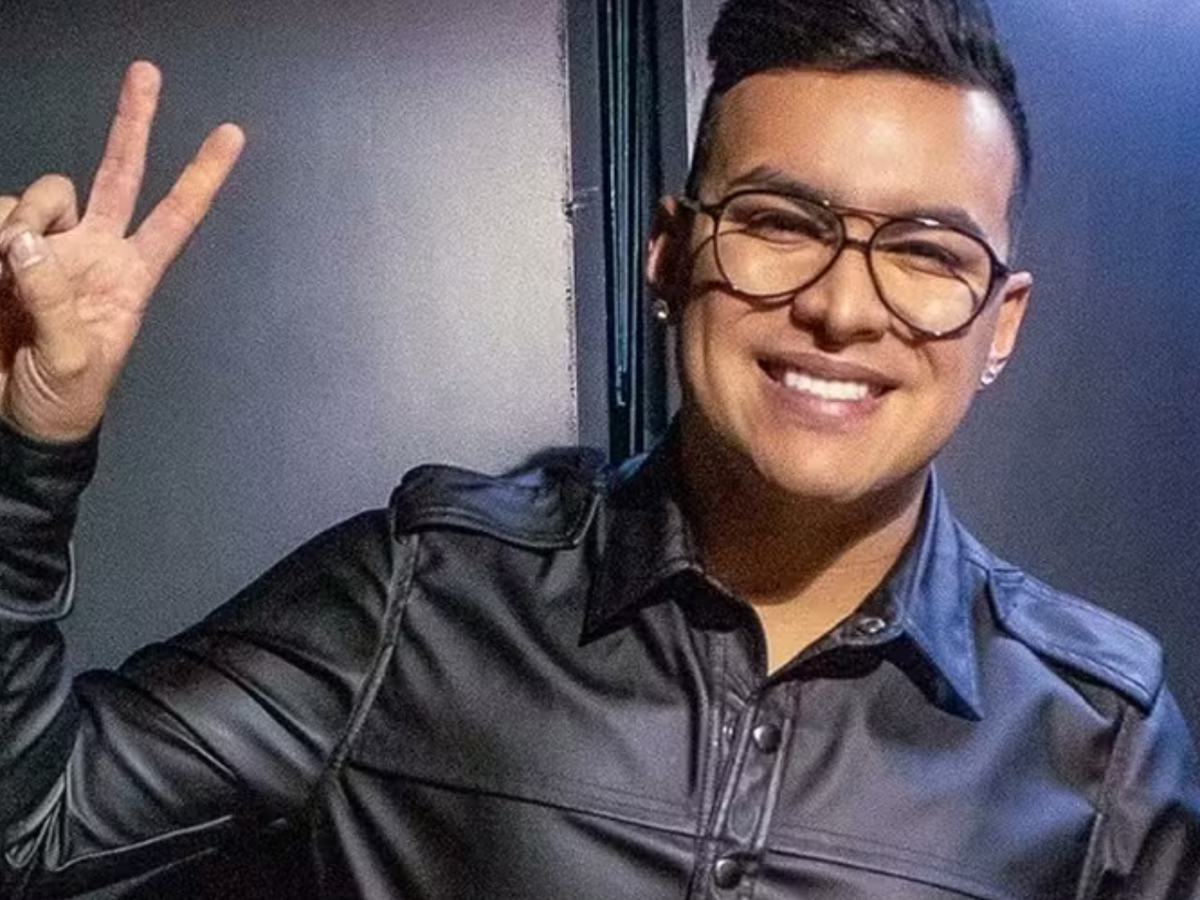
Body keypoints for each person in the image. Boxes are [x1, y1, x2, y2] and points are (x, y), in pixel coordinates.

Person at [1, 0, 1198, 897]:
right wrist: (28, 437)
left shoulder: (1099, 740)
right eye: (780, 223)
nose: (842, 308)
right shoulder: (427, 598)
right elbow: (29, 828)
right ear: (670, 256)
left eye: (928, 252)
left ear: (1001, 323)